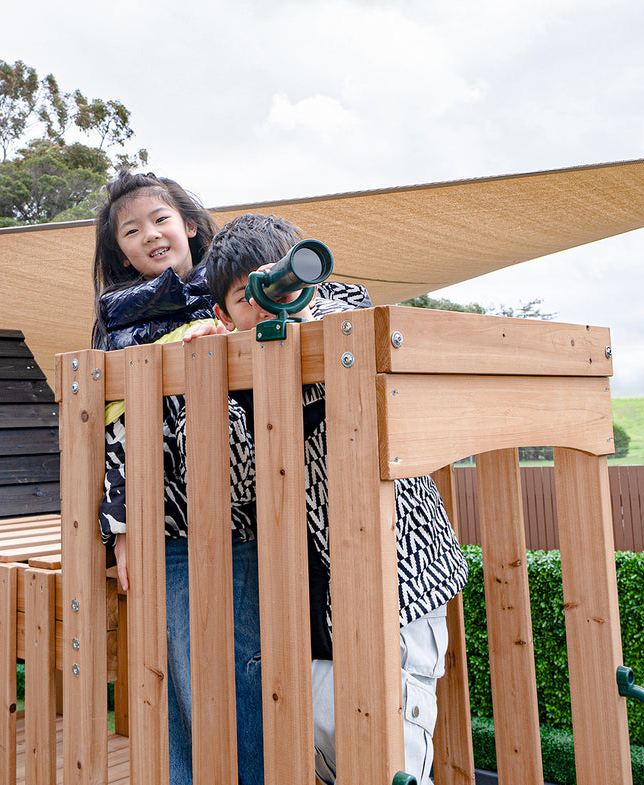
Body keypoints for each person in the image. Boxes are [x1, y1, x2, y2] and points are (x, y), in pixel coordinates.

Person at [192, 213, 469, 785]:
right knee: (330, 746)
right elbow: (236, 481)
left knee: (392, 749)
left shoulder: (348, 328)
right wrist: (216, 381)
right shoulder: (233, 374)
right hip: (311, 602)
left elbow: (350, 314)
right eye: (247, 298)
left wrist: (300, 313)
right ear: (222, 314)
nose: (267, 305)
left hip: (397, 587)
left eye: (279, 285)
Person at [92, 170, 263, 785]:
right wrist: (122, 529)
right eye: (131, 231)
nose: (150, 234)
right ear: (122, 253)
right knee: (178, 679)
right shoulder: (117, 326)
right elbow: (112, 432)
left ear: (189, 225)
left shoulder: (239, 294)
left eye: (160, 219)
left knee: (246, 673)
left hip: (248, 514)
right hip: (167, 523)